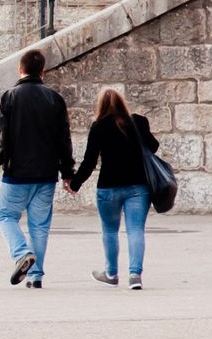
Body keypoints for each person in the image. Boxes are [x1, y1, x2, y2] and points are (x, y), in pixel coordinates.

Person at [0, 47, 74, 289]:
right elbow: (64, 139)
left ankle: (21, 253)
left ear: (20, 69)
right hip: (46, 174)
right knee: (40, 226)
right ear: (43, 72)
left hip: (17, 173)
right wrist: (67, 173)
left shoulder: (7, 98)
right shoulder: (55, 99)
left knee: (4, 215)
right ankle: (36, 276)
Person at [67, 87, 160, 289]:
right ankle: (135, 276)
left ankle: (111, 274)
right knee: (136, 230)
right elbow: (153, 147)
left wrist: (75, 184)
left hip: (108, 188)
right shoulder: (138, 122)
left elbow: (89, 162)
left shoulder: (98, 126)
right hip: (138, 186)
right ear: (122, 102)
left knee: (110, 231)